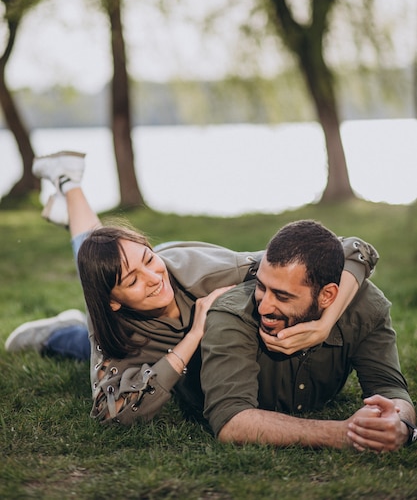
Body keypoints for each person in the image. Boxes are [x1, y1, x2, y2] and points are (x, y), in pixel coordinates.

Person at [5, 151, 379, 426]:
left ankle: (69, 188)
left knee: (102, 255)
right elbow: (110, 410)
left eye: (149, 261)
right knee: (92, 278)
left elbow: (354, 249)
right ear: (114, 303)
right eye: (134, 281)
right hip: (125, 332)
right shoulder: (109, 323)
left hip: (172, 268)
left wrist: (325, 323)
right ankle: (56, 326)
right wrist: (195, 334)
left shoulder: (215, 274)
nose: (153, 279)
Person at [200, 219, 416, 452]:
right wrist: (343, 434)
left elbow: (390, 388)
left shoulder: (366, 310)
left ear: (327, 295)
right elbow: (231, 420)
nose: (263, 307)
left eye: (282, 296)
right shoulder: (234, 314)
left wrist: (400, 425)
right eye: (261, 287)